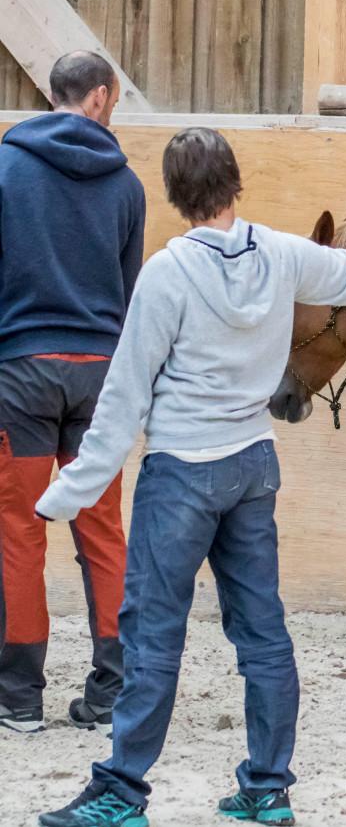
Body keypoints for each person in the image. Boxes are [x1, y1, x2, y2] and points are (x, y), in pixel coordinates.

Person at [34, 127, 346, 827]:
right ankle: (267, 789)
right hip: (250, 467)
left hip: (181, 472)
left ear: (176, 196)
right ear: (236, 184)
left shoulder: (168, 272)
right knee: (263, 633)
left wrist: (71, 488)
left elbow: (124, 397)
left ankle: (122, 791)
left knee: (153, 635)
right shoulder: (281, 252)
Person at [0, 51, 144, 735]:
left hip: (20, 371)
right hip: (100, 375)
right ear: (102, 96)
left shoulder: (4, 168)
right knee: (103, 532)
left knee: (18, 533)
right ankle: (111, 693)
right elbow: (126, 292)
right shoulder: (128, 186)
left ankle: (19, 699)